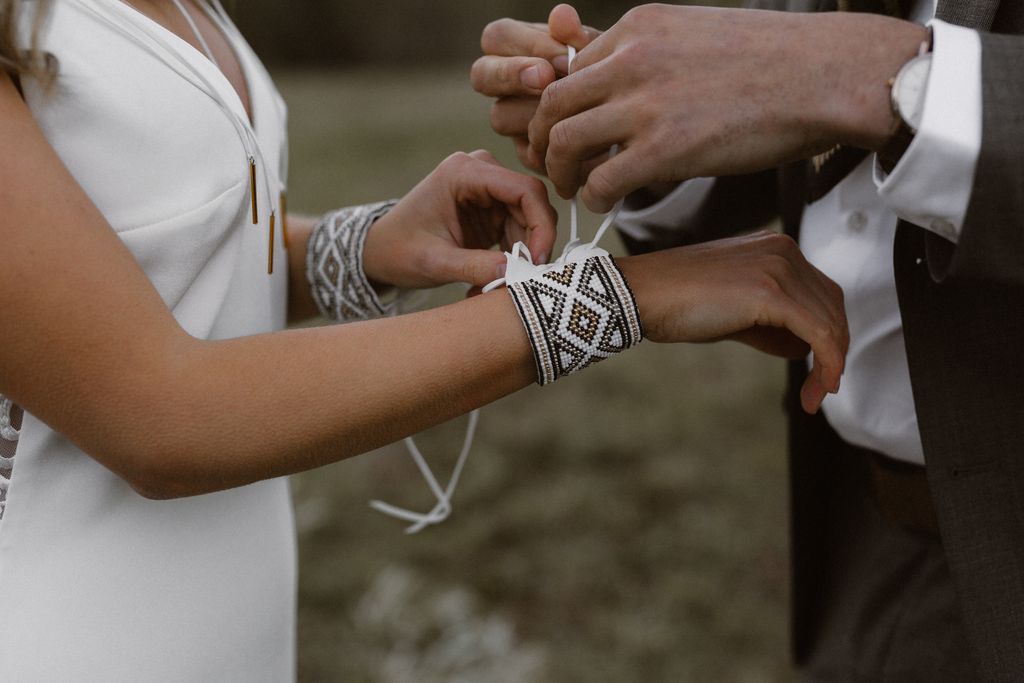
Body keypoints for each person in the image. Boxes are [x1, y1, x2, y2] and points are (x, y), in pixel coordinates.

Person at [0, 0, 849, 679]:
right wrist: (622, 297)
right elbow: (160, 413)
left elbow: (150, 269)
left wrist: (364, 247)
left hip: (229, 632)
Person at [473, 2, 1024, 680]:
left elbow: (821, 74)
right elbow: (801, 140)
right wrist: (629, 117)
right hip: (864, 549)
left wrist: (871, 73)